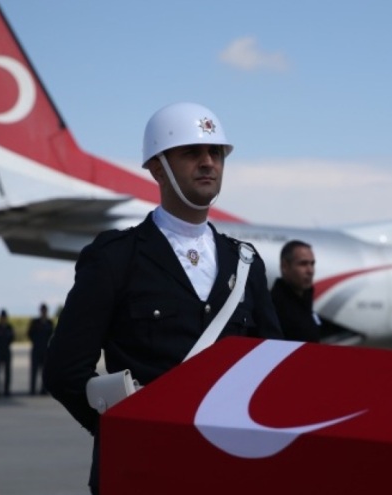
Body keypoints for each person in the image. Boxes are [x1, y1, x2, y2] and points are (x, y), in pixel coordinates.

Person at [44, 102, 284, 495]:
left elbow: (269, 366)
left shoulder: (245, 262)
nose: (208, 162)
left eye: (216, 153)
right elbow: (64, 372)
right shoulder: (115, 258)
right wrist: (125, 430)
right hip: (143, 472)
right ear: (158, 168)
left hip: (227, 471)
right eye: (192, 152)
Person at [271, 239, 323, 343]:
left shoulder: (306, 304)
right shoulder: (272, 309)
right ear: (285, 266)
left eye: (312, 264)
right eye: (303, 264)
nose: (310, 271)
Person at [27, 303, 54, 395]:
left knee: (44, 372)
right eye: (42, 310)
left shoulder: (49, 323)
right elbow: (30, 333)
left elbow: (52, 334)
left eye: (45, 310)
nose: (44, 312)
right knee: (34, 371)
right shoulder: (35, 322)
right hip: (36, 349)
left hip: (45, 350)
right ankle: (32, 390)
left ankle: (44, 390)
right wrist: (36, 342)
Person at [0, 309, 15, 397]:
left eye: (4, 317)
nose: (3, 319)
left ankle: (6, 390)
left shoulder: (9, 328)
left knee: (7, 372)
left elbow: (12, 338)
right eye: (2, 317)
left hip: (6, 351)